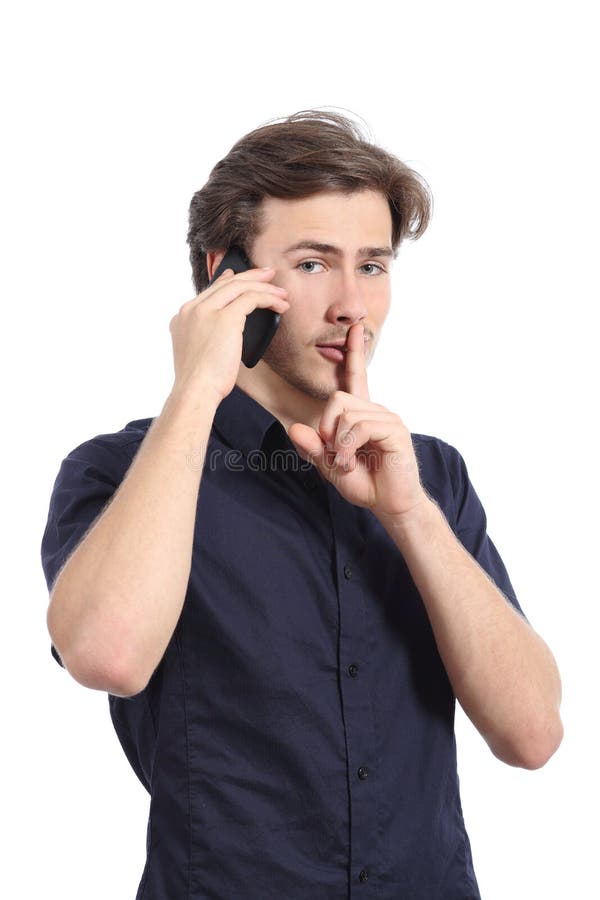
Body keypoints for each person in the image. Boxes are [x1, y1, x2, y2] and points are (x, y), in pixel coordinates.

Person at [41, 109, 563, 900]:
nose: (353, 304)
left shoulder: (430, 478)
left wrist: (410, 515)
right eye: (315, 264)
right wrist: (196, 389)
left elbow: (533, 736)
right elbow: (108, 657)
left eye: (374, 266)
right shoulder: (120, 473)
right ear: (226, 276)